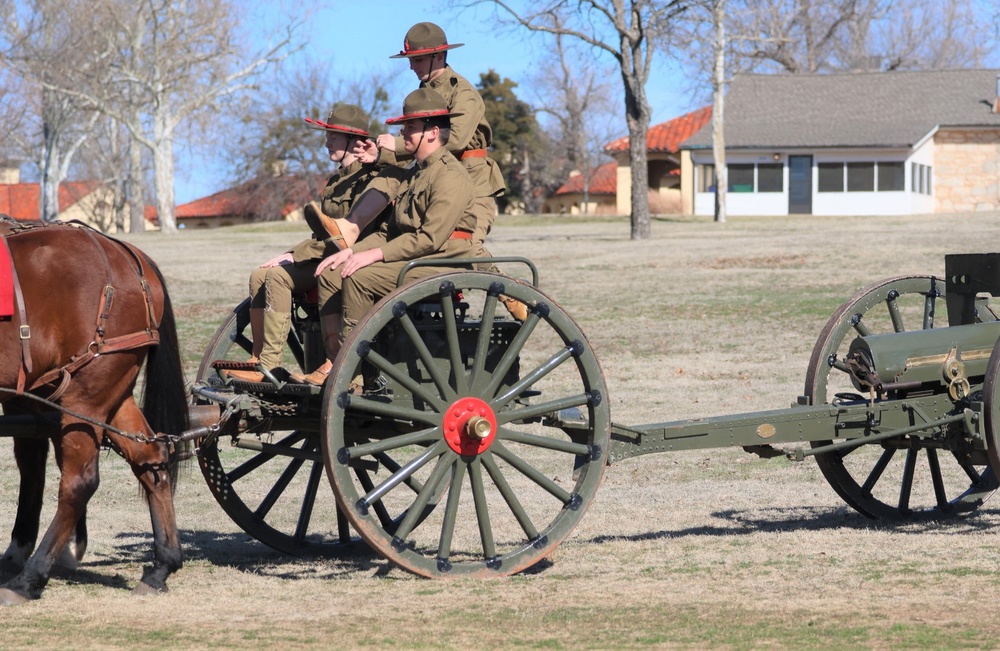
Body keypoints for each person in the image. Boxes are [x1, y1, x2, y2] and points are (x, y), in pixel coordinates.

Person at [291, 88, 477, 386]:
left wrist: (373, 255)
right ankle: (334, 359)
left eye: (410, 128)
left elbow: (429, 237)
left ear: (432, 132)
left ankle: (351, 370)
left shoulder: (449, 175)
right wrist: (352, 252)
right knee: (332, 273)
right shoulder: (415, 173)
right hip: (414, 256)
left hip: (442, 260)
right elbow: (389, 230)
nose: (403, 133)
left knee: (360, 278)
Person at [224, 104, 391, 384]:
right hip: (324, 254)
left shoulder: (370, 180)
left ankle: (280, 364)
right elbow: (322, 234)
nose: (326, 143)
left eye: (333, 137)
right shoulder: (337, 179)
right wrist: (293, 253)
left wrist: (297, 255)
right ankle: (259, 358)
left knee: (277, 277)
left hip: (347, 258)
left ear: (353, 140)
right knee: (260, 275)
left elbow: (347, 236)